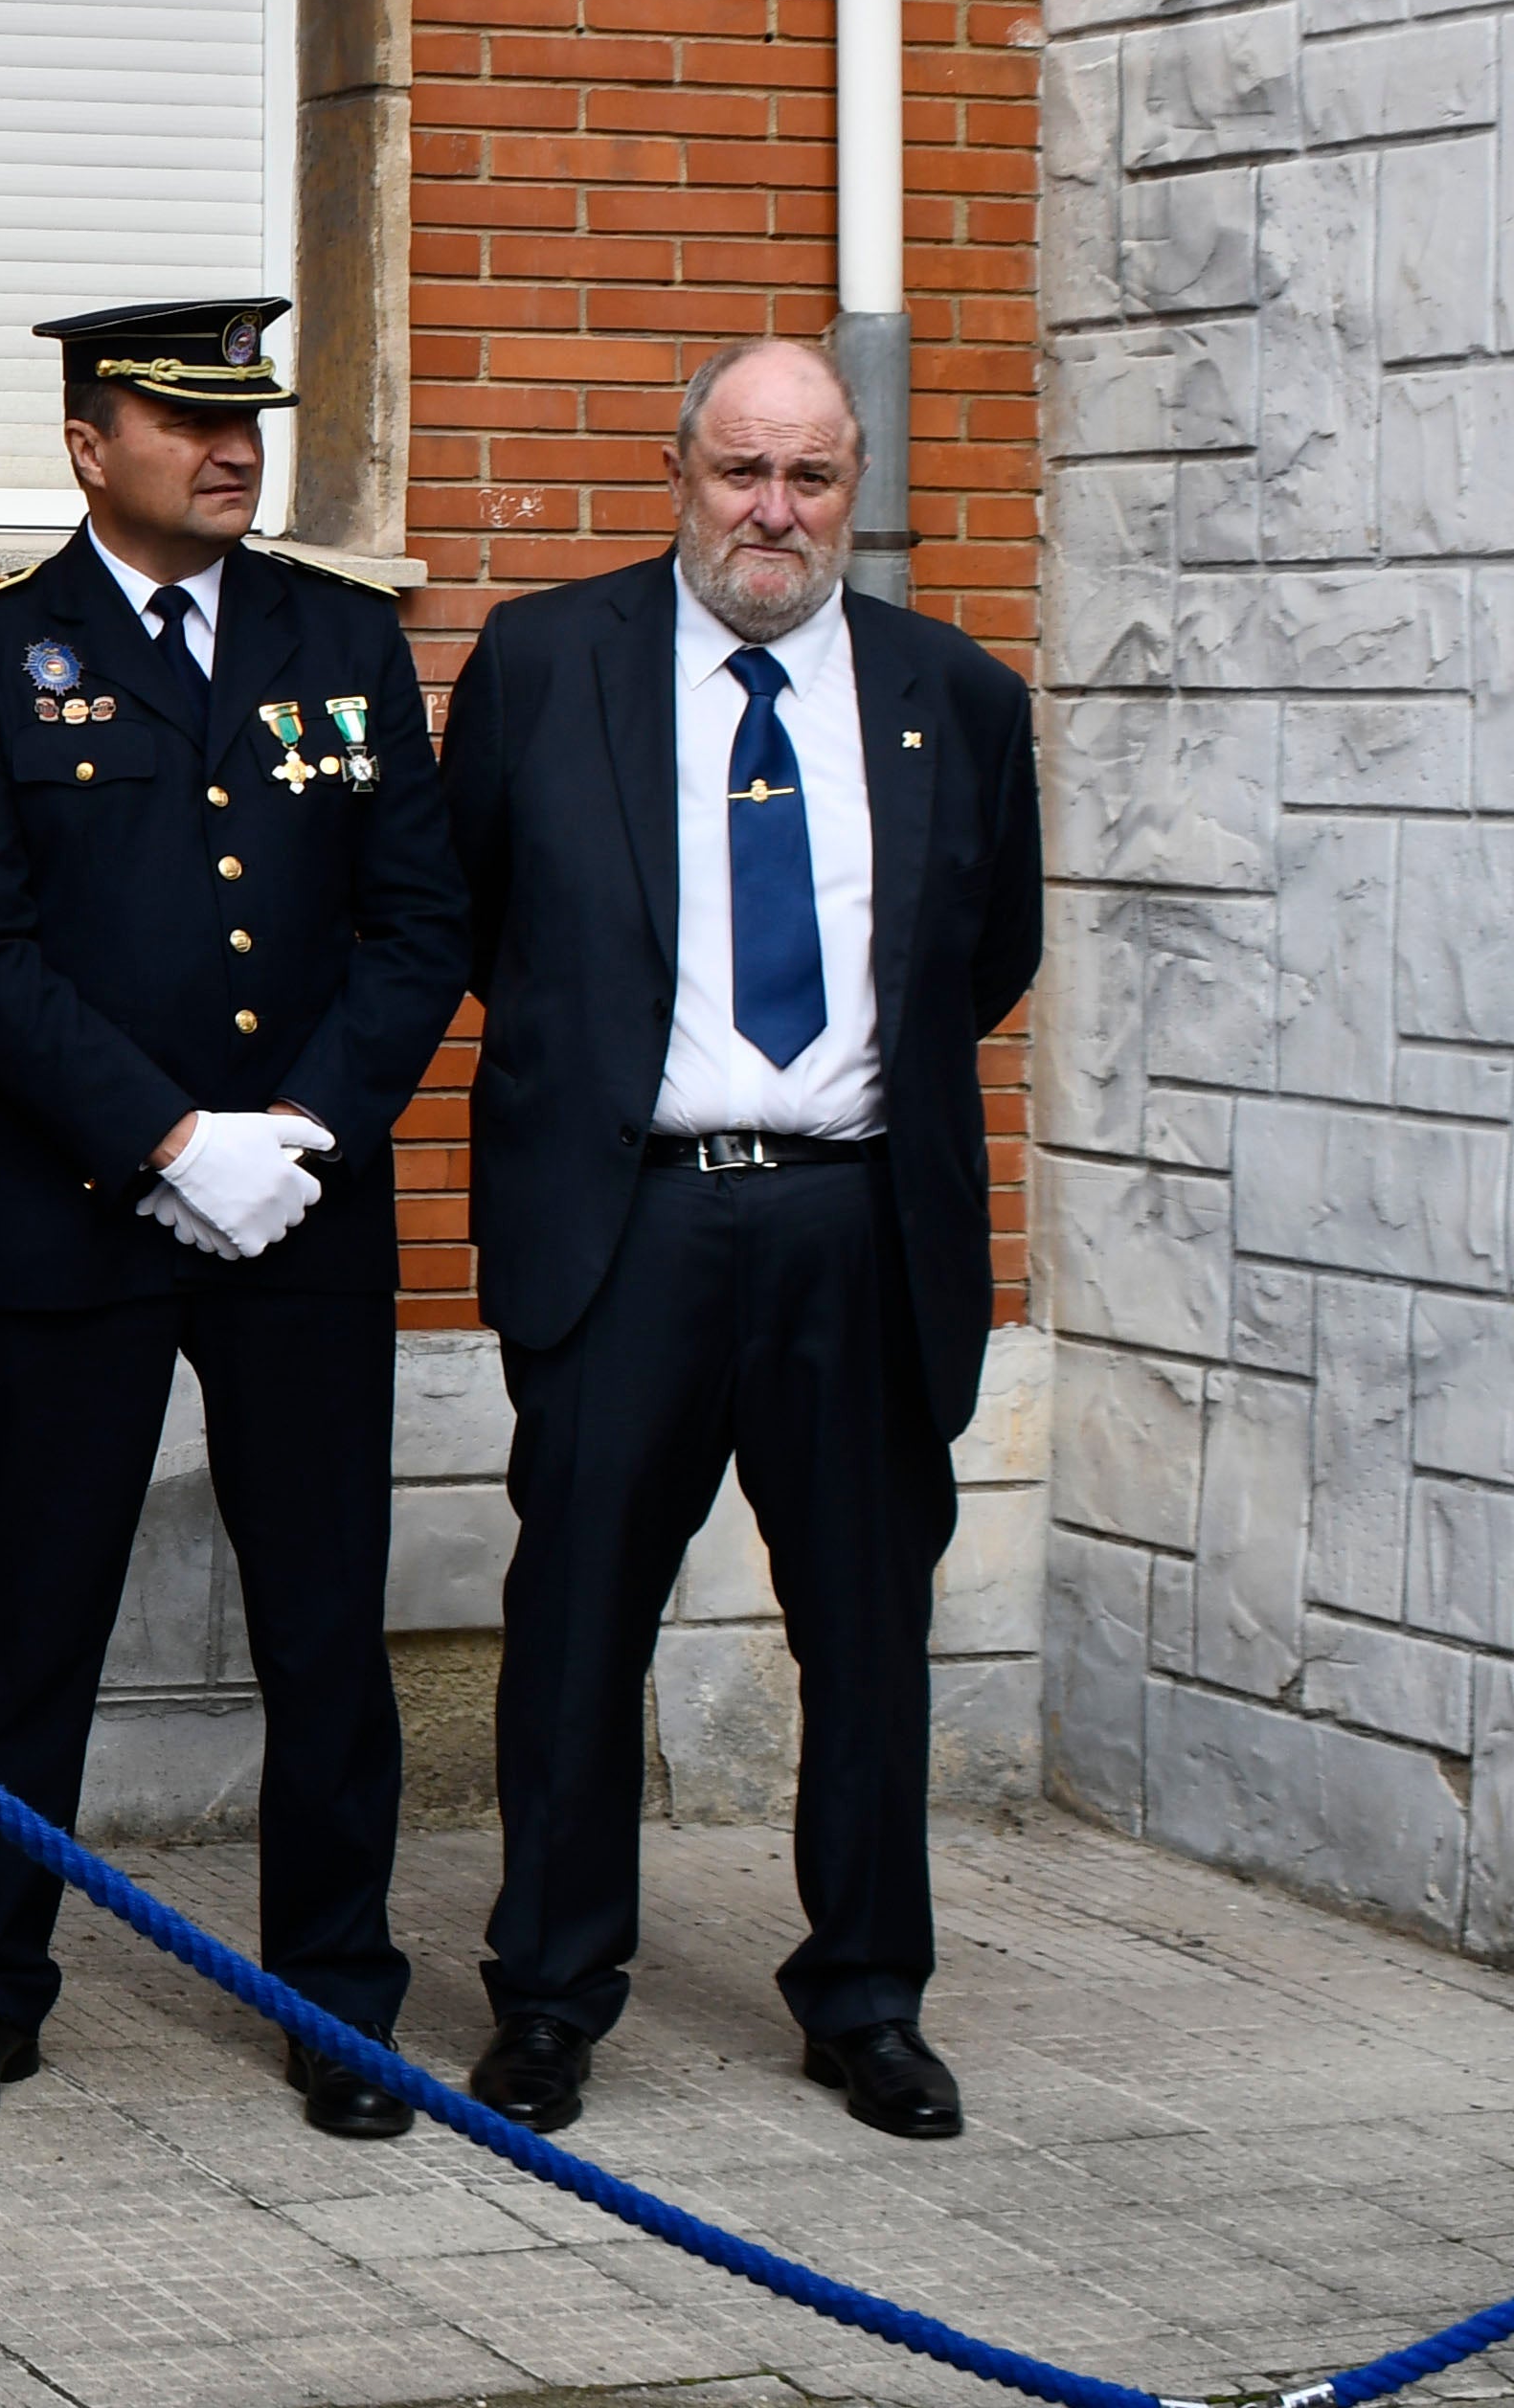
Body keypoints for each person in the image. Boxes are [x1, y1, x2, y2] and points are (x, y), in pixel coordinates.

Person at [441, 335, 1037, 2144]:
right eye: (741, 471)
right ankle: (549, 1995)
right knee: (576, 1626)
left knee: (865, 1635)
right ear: (681, 470)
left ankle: (866, 1995)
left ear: (857, 491)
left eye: (814, 478)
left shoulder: (958, 693)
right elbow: (485, 919)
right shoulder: (547, 665)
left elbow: (978, 958)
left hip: (856, 1224)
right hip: (630, 1224)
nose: (773, 513)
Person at [0, 294, 467, 2138]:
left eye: (250, 421)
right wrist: (165, 1138)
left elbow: (416, 924)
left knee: (319, 1623)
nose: (233, 449)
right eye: (183, 419)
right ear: (87, 445)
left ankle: (341, 1998)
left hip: (299, 1212)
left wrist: (293, 1131)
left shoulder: (344, 636)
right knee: (32, 1623)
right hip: (75, 1207)